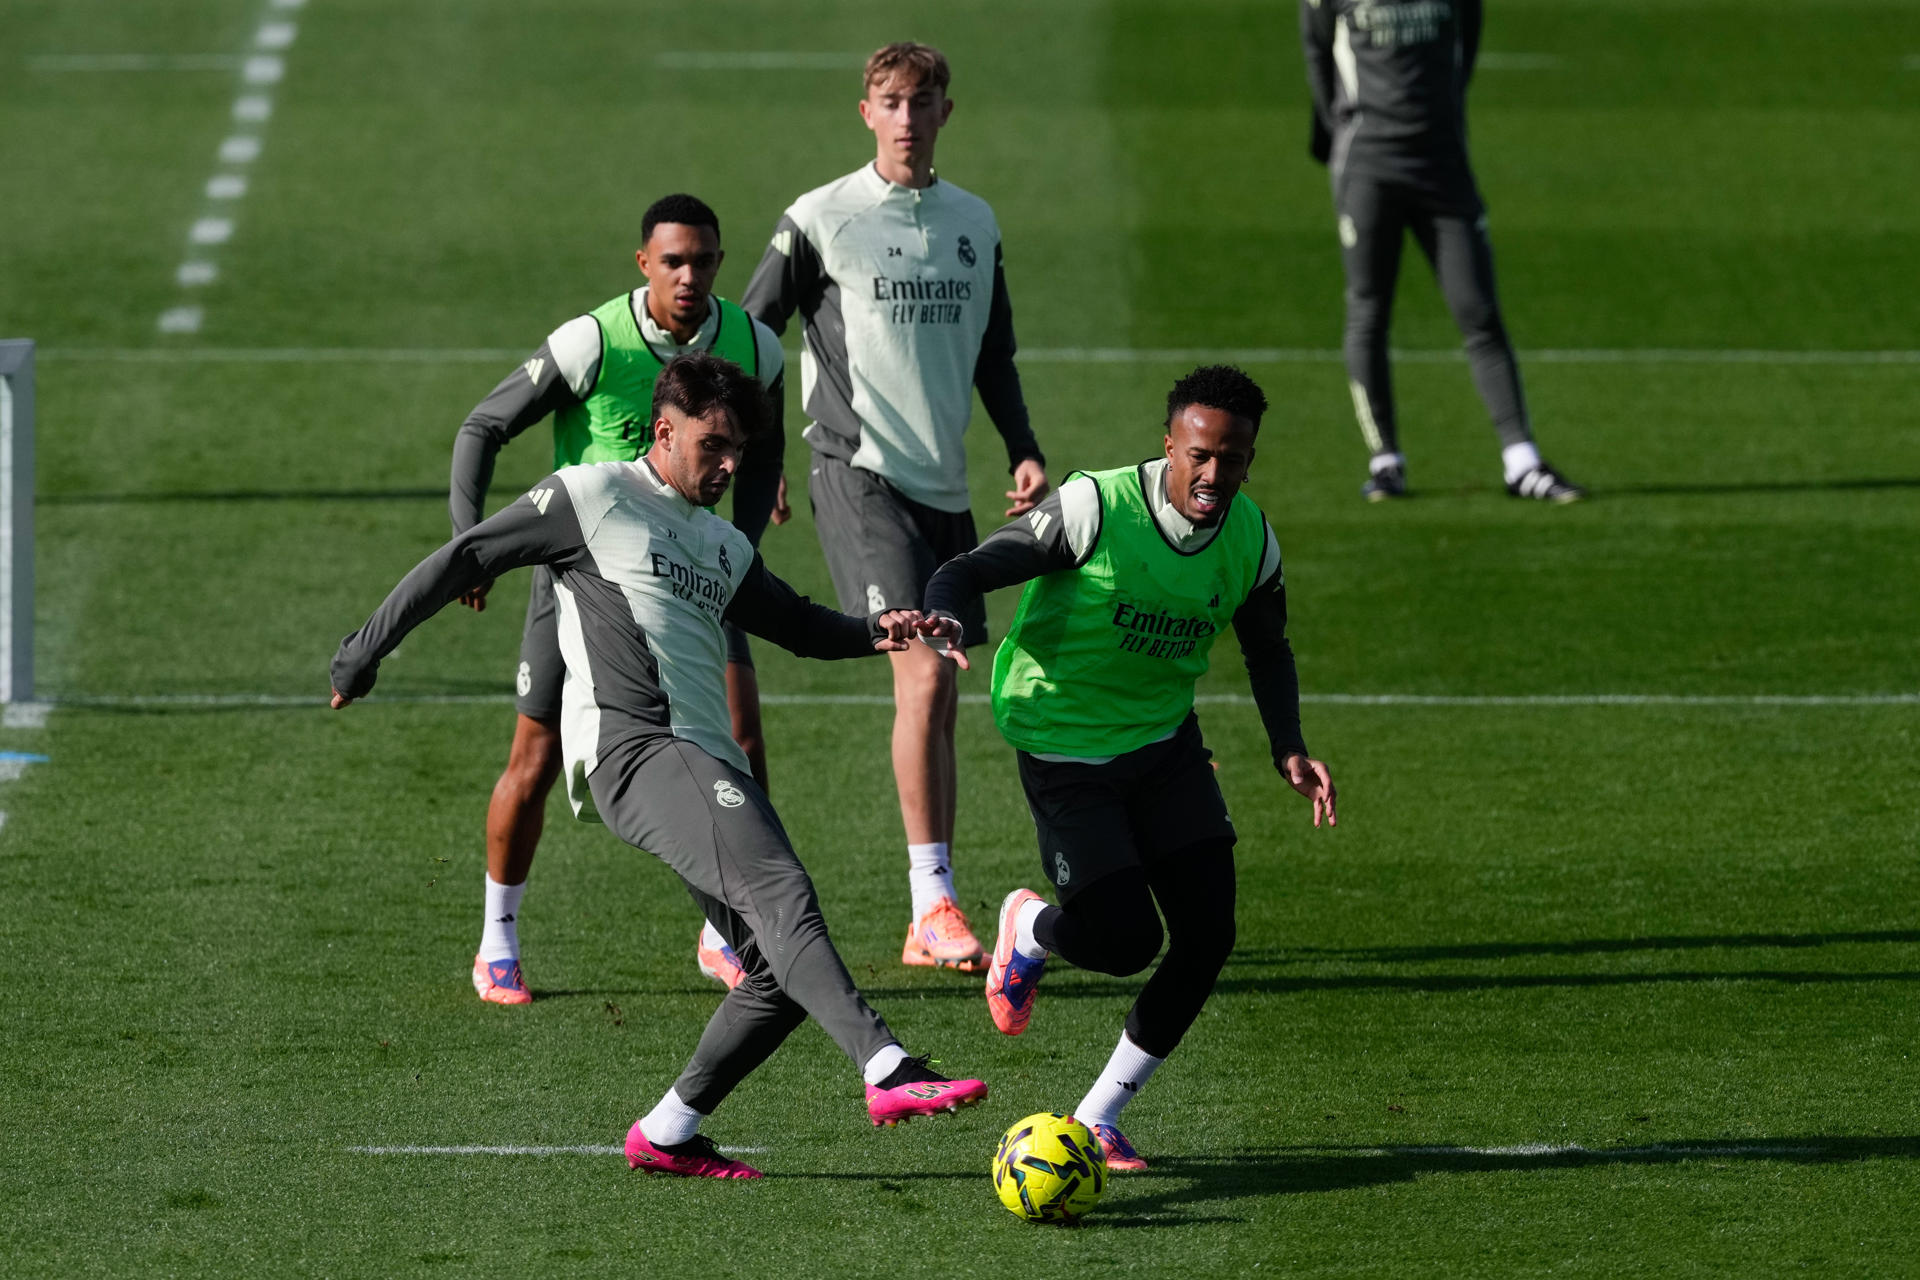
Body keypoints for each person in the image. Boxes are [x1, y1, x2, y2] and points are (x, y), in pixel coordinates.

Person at [332, 353, 988, 1179]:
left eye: (738, 452)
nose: (729, 466)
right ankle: (887, 1067)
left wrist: (884, 628)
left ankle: (668, 1131)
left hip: (703, 758)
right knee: (784, 891)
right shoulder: (591, 495)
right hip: (638, 748)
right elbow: (464, 559)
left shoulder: (719, 542)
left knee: (774, 973)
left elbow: (800, 625)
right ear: (664, 429)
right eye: (714, 446)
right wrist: (361, 653)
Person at [921, 365, 1337, 1171]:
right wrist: (944, 614)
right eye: (1200, 455)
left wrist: (1288, 745)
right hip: (1064, 747)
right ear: (1170, 445)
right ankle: (1029, 927)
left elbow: (1267, 646)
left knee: (1209, 932)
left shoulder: (1251, 539)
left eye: (1234, 459)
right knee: (1121, 941)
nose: (1215, 475)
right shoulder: (1094, 507)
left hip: (1164, 744)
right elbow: (972, 567)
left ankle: (1099, 1115)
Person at [743, 41, 1050, 972]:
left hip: (944, 485)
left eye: (923, 101)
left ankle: (934, 905)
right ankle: (932, 905)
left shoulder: (974, 222)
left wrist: (1024, 447)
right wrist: (754, 458)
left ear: (946, 113)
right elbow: (749, 336)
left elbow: (994, 354)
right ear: (865, 111)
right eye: (890, 101)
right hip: (856, 472)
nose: (908, 117)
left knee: (943, 686)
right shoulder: (819, 219)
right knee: (920, 674)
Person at [448, 193, 786, 1004]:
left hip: (696, 579)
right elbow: (482, 427)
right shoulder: (591, 341)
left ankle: (723, 933)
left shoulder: (754, 345)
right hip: (582, 582)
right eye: (673, 260)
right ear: (644, 264)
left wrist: (741, 548)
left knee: (739, 743)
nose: (689, 275)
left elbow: (766, 446)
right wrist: (470, 548)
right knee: (531, 759)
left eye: (704, 260)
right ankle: (498, 939)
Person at [1299, 0, 1584, 503]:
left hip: (1442, 166)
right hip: (1369, 169)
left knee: (1478, 310)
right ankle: (1385, 461)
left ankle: (1522, 462)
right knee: (1369, 310)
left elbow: (1465, 46)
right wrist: (1345, 128)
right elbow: (1317, 53)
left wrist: (1440, 117)